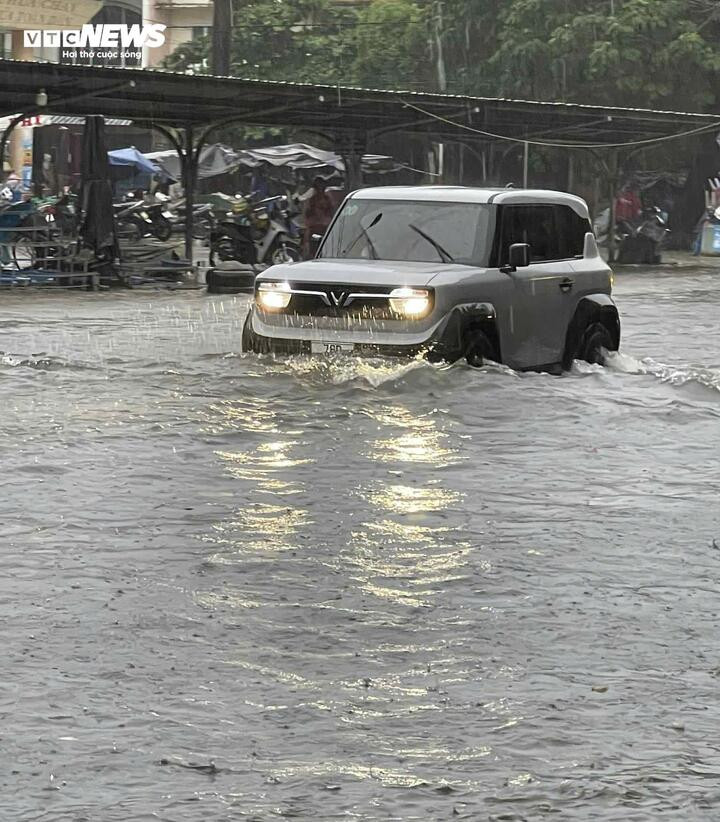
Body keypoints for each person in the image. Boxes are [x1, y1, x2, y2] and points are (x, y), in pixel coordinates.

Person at [303, 176, 335, 258]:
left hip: (325, 228)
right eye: (318, 187)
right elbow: (307, 217)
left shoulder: (327, 199)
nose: (320, 190)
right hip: (315, 228)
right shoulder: (311, 200)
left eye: (322, 187)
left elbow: (332, 213)